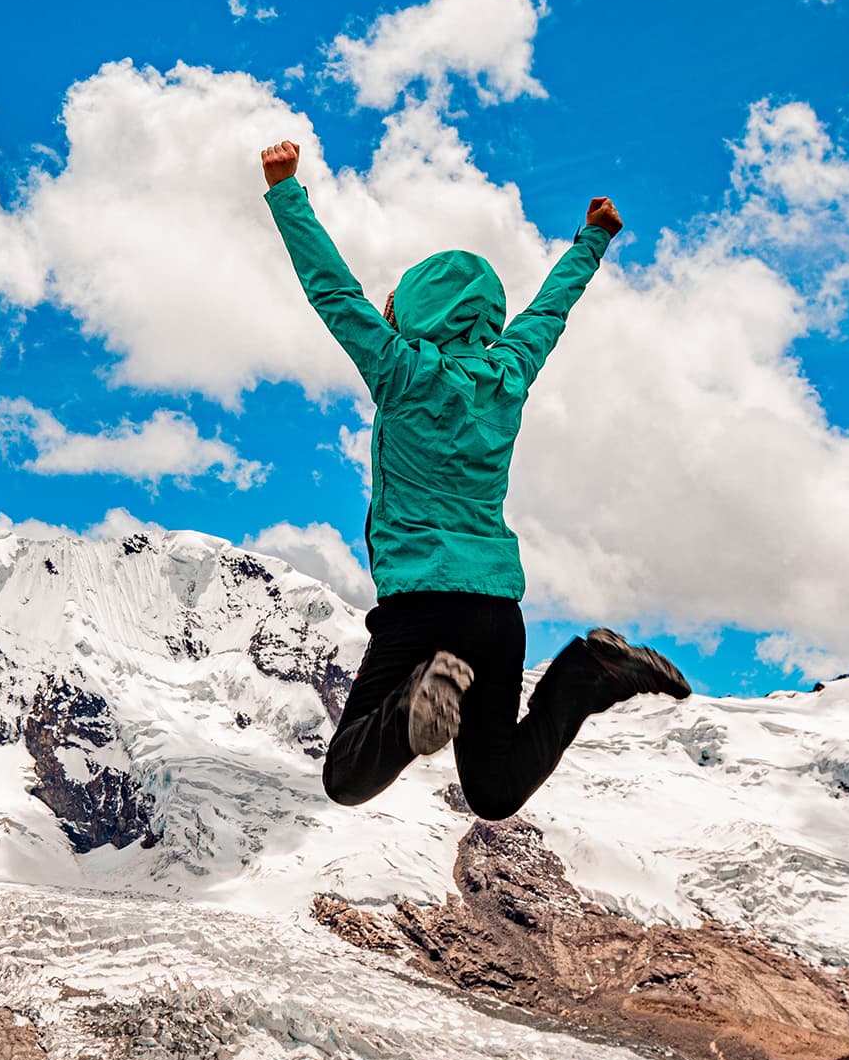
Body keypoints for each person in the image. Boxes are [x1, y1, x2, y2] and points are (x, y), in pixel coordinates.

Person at [259, 138, 689, 820]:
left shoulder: (400, 369)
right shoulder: (508, 372)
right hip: (496, 614)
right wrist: (592, 240)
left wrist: (286, 190)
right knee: (493, 791)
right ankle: (591, 672)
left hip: (422, 606)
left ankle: (413, 706)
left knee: (345, 774)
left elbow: (332, 290)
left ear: (418, 311)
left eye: (397, 303)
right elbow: (549, 312)